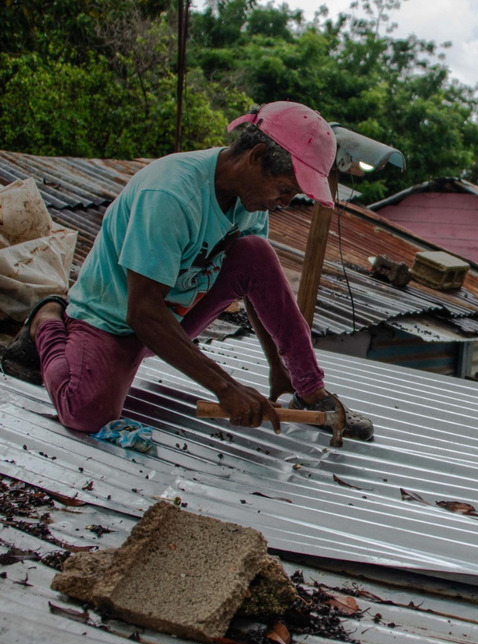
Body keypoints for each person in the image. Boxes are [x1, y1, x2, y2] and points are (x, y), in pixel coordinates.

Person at [1, 101, 374, 441]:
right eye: (284, 190)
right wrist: (225, 388)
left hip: (171, 317)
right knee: (87, 413)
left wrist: (280, 370)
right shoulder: (171, 195)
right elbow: (142, 312)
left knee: (257, 253)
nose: (284, 203)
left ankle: (313, 392)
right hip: (114, 322)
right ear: (256, 157)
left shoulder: (252, 203)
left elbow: (258, 288)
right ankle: (46, 320)